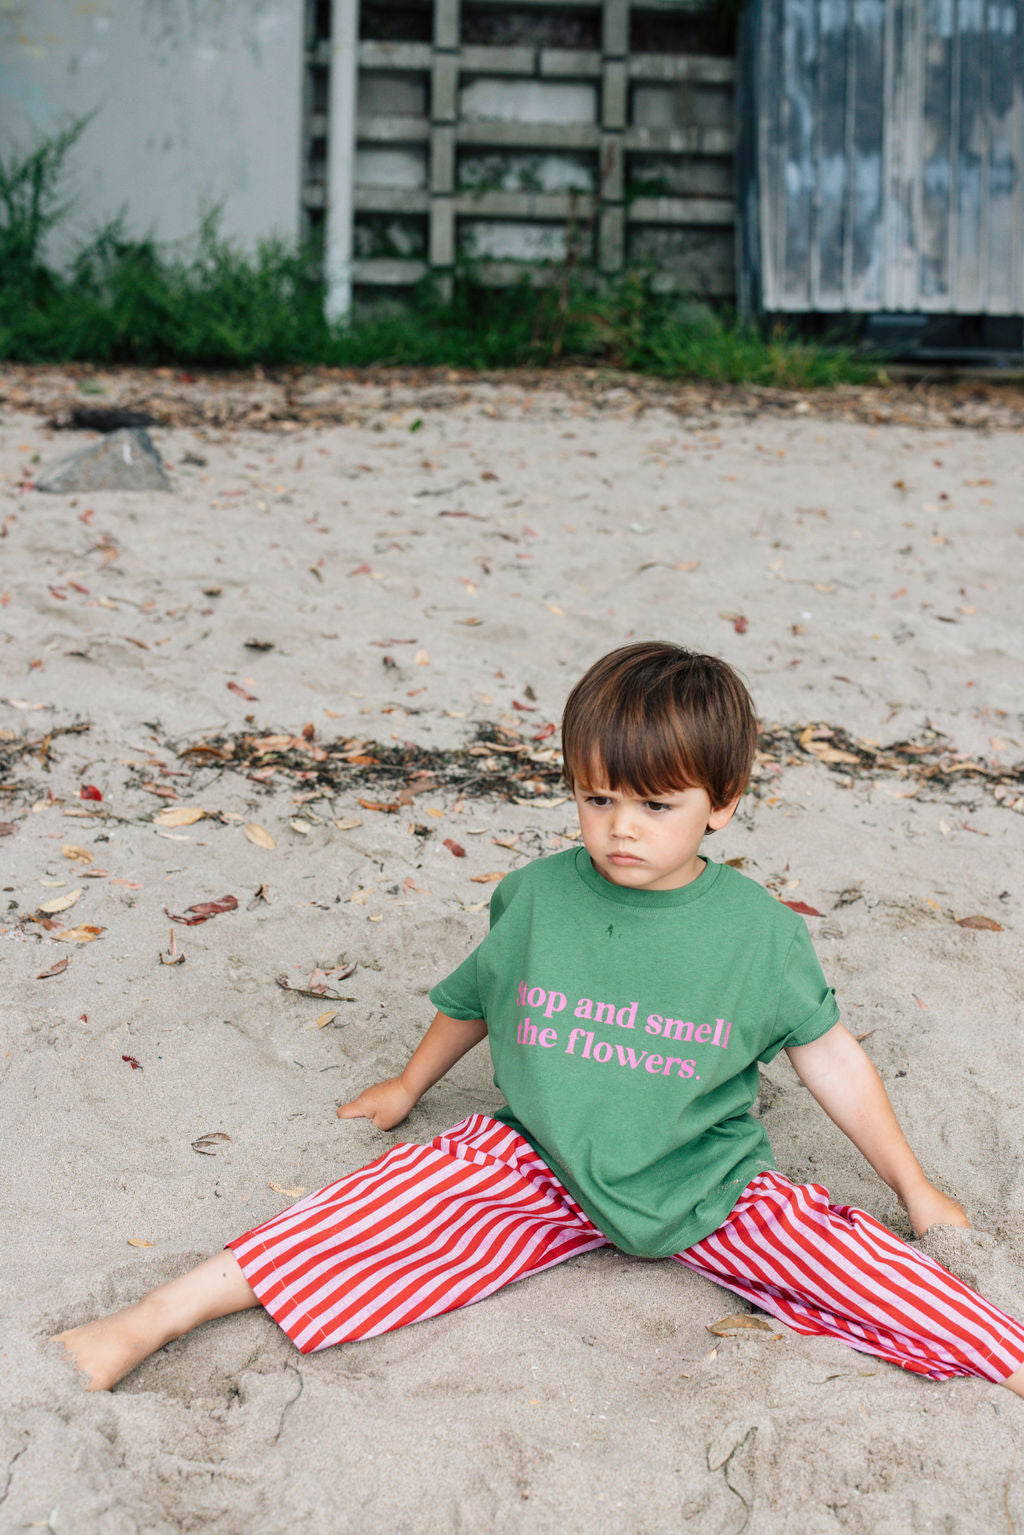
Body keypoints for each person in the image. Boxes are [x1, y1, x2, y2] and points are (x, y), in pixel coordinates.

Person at [56, 642, 1024, 1395]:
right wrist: (404, 1085)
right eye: (595, 796)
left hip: (709, 1185)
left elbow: (831, 1059)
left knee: (878, 1275)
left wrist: (917, 1185)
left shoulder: (757, 935)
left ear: (721, 803)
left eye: (654, 802)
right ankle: (153, 1315)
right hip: (543, 1165)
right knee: (373, 1205)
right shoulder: (538, 897)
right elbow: (478, 994)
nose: (620, 827)